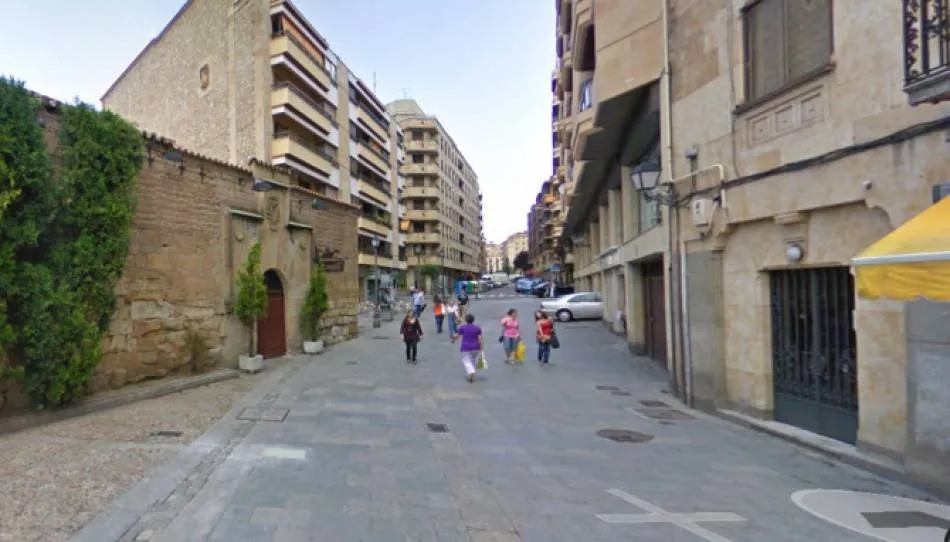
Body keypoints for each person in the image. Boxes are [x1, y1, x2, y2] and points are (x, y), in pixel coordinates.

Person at [454, 313, 483, 383]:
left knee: (466, 361)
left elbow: (457, 335)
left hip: (465, 347)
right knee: (472, 361)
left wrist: (453, 339)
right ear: (473, 320)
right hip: (475, 347)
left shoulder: (463, 327)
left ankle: (471, 372)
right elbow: (480, 338)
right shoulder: (477, 328)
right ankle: (470, 376)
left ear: (466, 320)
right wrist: (481, 348)